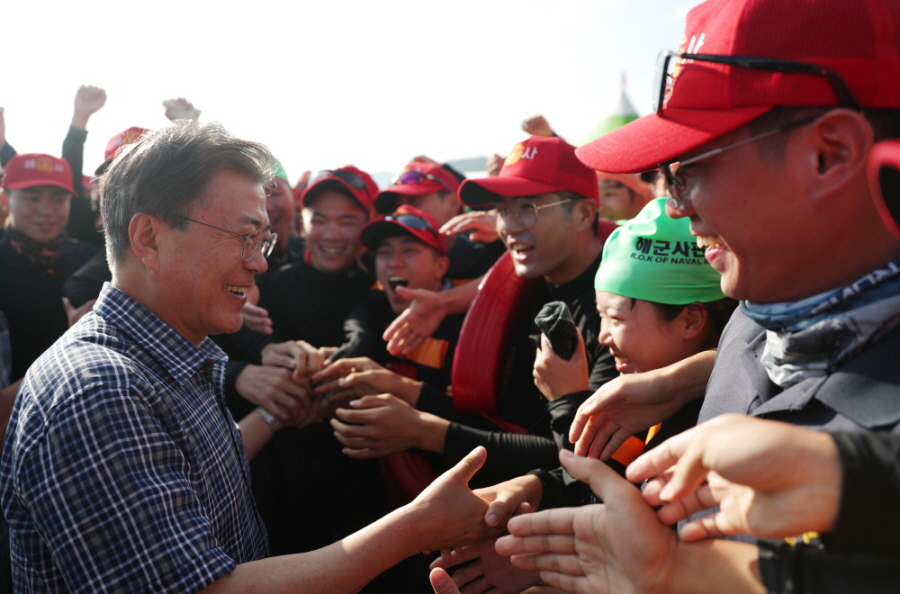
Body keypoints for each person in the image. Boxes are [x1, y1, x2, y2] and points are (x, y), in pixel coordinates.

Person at [0, 121, 496, 593]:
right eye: (243, 237)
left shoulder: (180, 361)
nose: (258, 262)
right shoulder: (99, 392)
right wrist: (414, 527)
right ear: (149, 238)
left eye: (264, 240)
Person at [326, 135, 617, 490]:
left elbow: (581, 464)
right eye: (503, 210)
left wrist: (423, 431)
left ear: (584, 213)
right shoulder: (533, 285)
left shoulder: (620, 315)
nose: (509, 226)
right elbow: (511, 423)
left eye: (528, 207)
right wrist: (400, 388)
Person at [0, 153, 100, 383]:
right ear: (5, 200)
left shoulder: (92, 262)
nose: (46, 211)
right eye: (32, 199)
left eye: (58, 200)